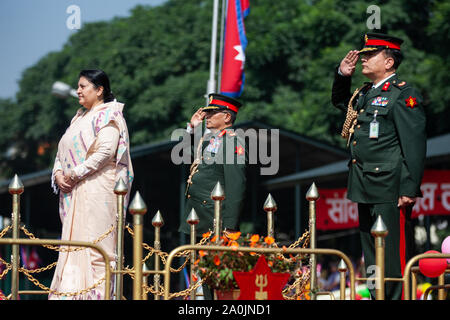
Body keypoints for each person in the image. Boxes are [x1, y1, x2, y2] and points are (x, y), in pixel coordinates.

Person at [331, 33, 426, 300]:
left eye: (370, 55)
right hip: (364, 184)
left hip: (391, 188)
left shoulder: (403, 94)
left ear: (388, 62)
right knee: (371, 254)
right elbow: (341, 102)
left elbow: (414, 146)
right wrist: (342, 75)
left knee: (394, 256)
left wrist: (409, 188)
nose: (363, 58)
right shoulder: (365, 93)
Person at [49, 69, 134, 300]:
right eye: (77, 86)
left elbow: (106, 152)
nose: (78, 90)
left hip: (98, 190)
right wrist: (58, 175)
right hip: (73, 191)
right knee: (72, 247)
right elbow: (60, 153)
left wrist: (74, 174)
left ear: (99, 90)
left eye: (83, 86)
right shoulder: (78, 118)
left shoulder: (109, 114)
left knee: (97, 250)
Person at [177, 93, 247, 299]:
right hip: (203, 217)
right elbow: (186, 153)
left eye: (212, 113)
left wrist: (230, 226)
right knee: (205, 276)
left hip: (216, 220)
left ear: (226, 117)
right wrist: (192, 128)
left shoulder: (232, 142)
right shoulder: (213, 140)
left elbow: (236, 184)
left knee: (216, 280)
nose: (207, 116)